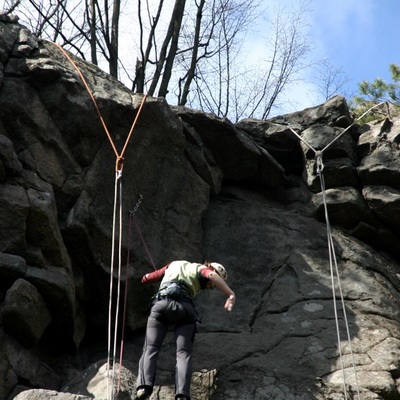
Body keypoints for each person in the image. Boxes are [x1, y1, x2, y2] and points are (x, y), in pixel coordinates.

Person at [134, 260, 235, 400]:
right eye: (212, 285)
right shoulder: (200, 269)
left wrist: (145, 277)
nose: (211, 286)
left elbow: (148, 278)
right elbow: (211, 275)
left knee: (150, 347)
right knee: (184, 353)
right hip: (185, 308)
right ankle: (182, 395)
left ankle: (144, 387)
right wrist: (230, 294)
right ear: (210, 267)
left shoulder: (173, 264)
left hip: (161, 304)